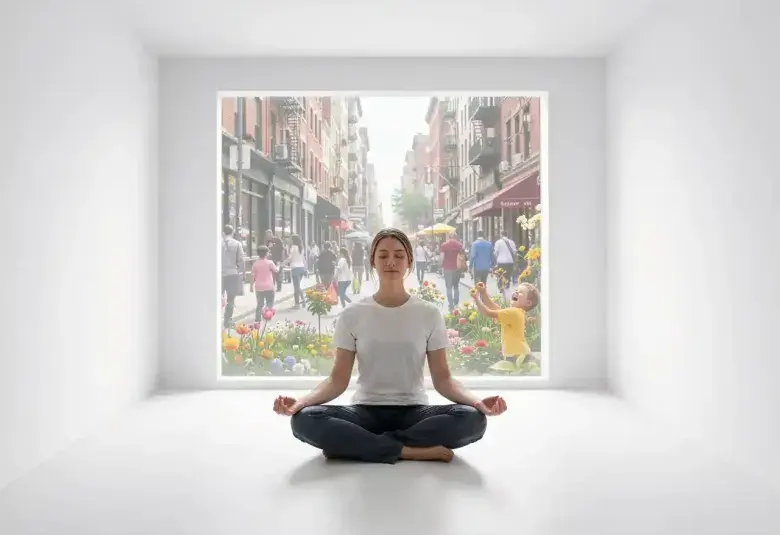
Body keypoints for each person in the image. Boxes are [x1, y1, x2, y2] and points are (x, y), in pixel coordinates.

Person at [273, 228, 507, 464]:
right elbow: (337, 380)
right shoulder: (352, 314)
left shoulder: (429, 314)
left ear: (409, 262)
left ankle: (358, 445)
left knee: (472, 419)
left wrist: (475, 401)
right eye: (383, 256)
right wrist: (302, 401)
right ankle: (407, 450)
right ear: (372, 262)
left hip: (414, 410)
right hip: (365, 410)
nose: (391, 262)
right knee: (305, 419)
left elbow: (443, 379)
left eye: (399, 255)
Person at [473, 282, 539, 365]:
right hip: (519, 354)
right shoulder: (516, 313)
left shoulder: (515, 312)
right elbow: (494, 308)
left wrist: (476, 298)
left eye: (521, 292)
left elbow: (487, 313)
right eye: (516, 290)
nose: (516, 292)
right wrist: (483, 292)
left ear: (528, 303)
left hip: (517, 355)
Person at [221, 225, 245, 328]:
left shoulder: (218, 244)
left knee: (217, 298)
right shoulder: (237, 244)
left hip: (219, 274)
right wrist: (242, 272)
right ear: (233, 232)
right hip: (232, 274)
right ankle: (227, 320)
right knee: (231, 299)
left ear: (223, 232)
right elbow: (241, 259)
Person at [250, 246, 278, 319]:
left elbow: (252, 276)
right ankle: (268, 316)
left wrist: (251, 287)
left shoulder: (255, 264)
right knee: (270, 302)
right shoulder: (270, 263)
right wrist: (278, 266)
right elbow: (276, 270)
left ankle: (258, 319)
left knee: (260, 304)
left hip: (259, 287)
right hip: (269, 286)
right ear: (267, 253)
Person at [439, 232, 464, 310]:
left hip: (447, 269)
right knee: (456, 286)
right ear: (456, 237)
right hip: (457, 268)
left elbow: (442, 257)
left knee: (449, 287)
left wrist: (440, 265)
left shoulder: (444, 245)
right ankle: (456, 302)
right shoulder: (459, 245)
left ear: (449, 237)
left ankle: (451, 303)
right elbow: (462, 257)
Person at [281, 234, 307, 309]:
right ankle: (303, 300)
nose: (290, 240)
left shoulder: (293, 248)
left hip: (295, 268)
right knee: (298, 287)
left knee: (296, 287)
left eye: (291, 239)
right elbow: (303, 259)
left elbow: (290, 258)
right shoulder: (301, 248)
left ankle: (297, 304)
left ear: (293, 240)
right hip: (301, 267)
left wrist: (283, 263)